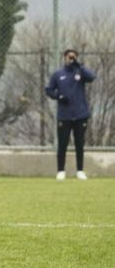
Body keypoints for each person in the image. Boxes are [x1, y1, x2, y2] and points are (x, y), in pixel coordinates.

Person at [45, 49, 96, 180]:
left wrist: (79, 65)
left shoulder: (80, 72)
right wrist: (59, 96)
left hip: (80, 114)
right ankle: (61, 170)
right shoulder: (58, 74)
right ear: (64, 58)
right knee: (63, 143)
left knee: (79, 143)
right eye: (69, 57)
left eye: (73, 57)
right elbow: (49, 90)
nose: (71, 59)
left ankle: (80, 170)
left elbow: (92, 77)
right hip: (64, 115)